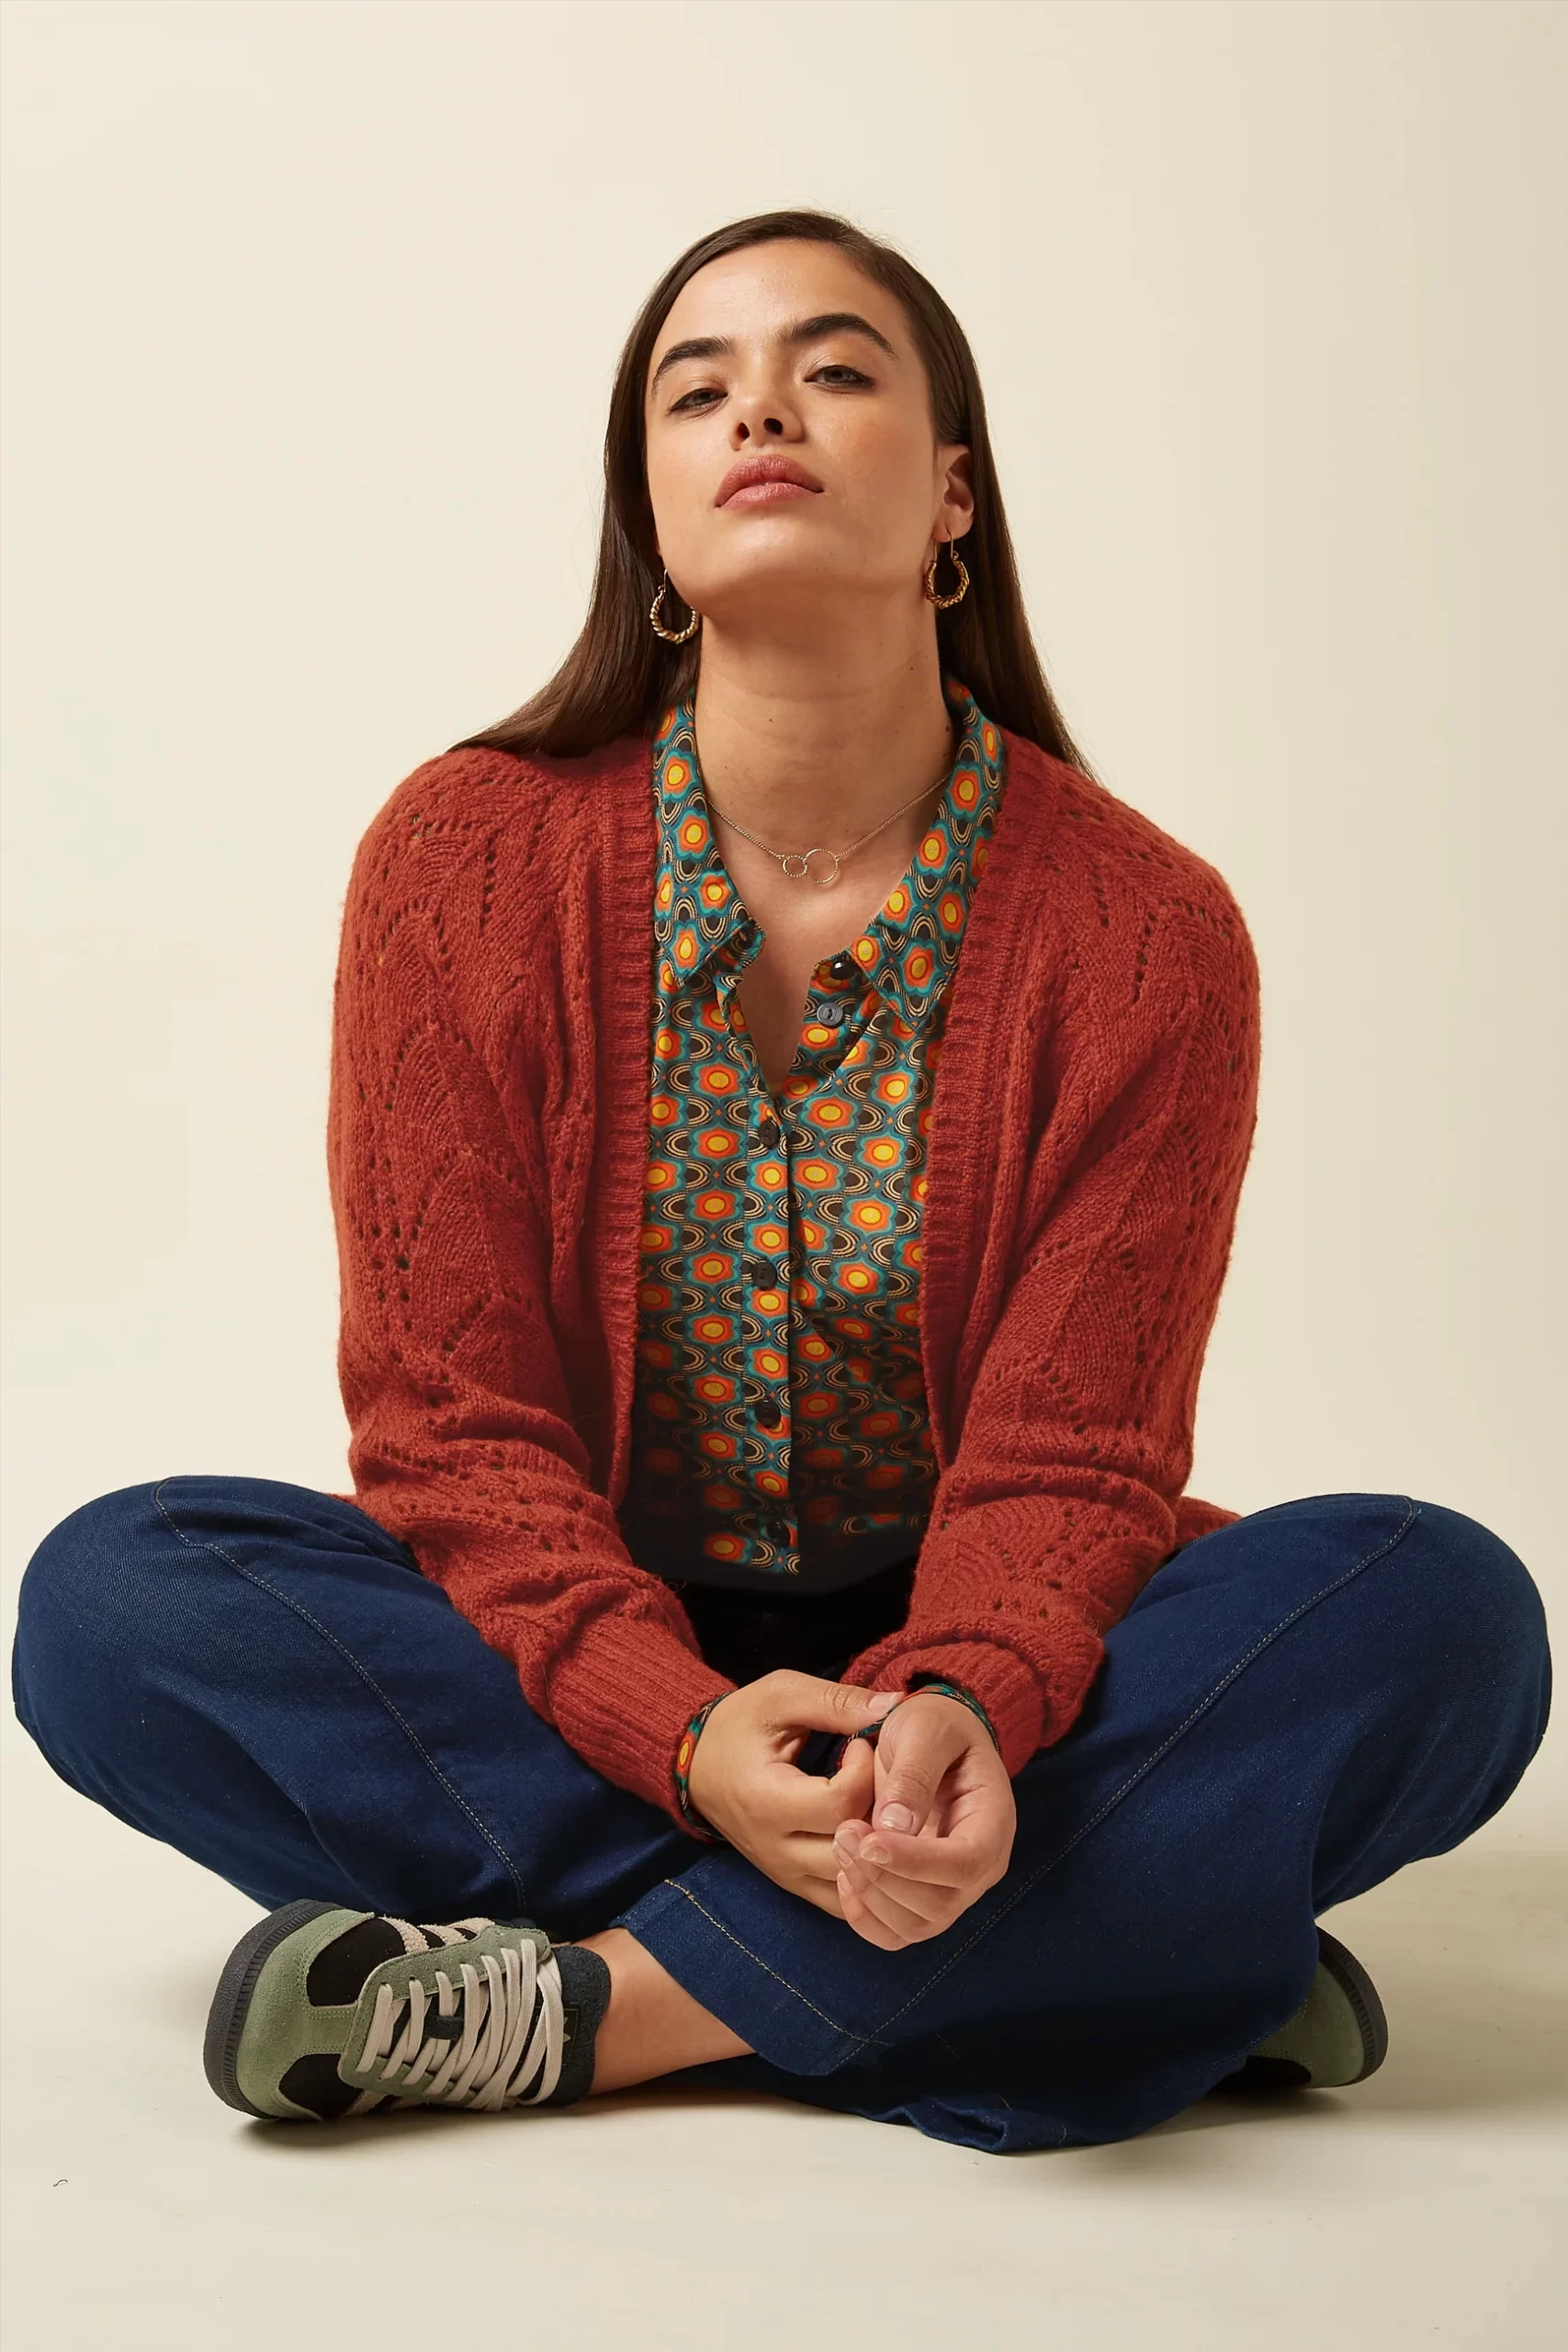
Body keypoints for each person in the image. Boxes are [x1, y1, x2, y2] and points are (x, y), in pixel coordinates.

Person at [11, 209, 1550, 2154]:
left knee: (1438, 1609)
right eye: (696, 389)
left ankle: (599, 2010)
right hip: (583, 1649)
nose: (760, 409)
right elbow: (451, 1431)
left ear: (953, 492)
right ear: (648, 512)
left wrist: (963, 1700)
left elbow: (1076, 1463)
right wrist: (678, 1730)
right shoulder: (462, 859)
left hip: (977, 1676)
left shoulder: (1148, 930)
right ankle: (1145, 1941)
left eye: (832, 368)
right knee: (116, 1599)